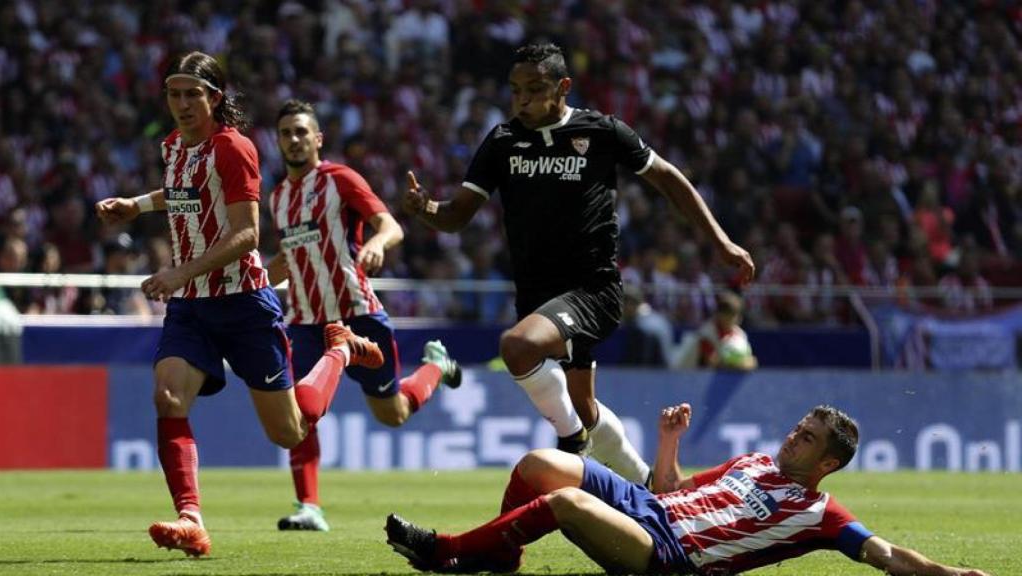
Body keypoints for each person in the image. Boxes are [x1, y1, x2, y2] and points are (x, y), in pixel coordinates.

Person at [403, 43, 755, 484]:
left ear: (563, 87)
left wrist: (721, 242)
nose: (523, 99)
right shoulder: (502, 142)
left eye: (534, 88)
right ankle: (654, 484)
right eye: (515, 90)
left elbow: (667, 178)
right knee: (584, 407)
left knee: (517, 348)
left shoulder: (602, 132)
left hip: (593, 290)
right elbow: (457, 215)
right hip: (538, 296)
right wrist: (425, 208)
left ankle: (571, 444)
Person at [95, 51, 384, 557]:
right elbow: (181, 191)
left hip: (245, 303)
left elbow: (248, 232)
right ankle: (192, 520)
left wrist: (179, 271)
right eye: (174, 93)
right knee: (167, 398)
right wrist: (135, 206)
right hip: (191, 306)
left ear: (215, 98)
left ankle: (338, 349)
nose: (182, 104)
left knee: (289, 431)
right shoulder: (173, 147)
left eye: (192, 94)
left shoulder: (234, 147)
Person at [385, 403, 990, 576]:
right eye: (797, 428)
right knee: (540, 462)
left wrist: (950, 574)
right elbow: (671, 487)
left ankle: (451, 552)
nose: (792, 438)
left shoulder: (820, 513)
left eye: (806, 439)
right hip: (647, 507)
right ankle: (502, 557)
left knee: (565, 503)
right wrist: (668, 441)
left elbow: (883, 555)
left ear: (827, 463)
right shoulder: (752, 462)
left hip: (668, 556)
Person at [266, 99, 462, 532]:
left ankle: (435, 366)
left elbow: (391, 225)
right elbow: (289, 257)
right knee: (299, 412)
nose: (294, 140)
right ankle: (309, 507)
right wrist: (256, 276)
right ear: (278, 141)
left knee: (390, 414)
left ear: (318, 139)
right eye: (286, 133)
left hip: (358, 316)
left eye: (302, 132)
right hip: (304, 321)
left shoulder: (341, 180)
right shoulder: (277, 198)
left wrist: (377, 243)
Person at [674, 290, 758, 371]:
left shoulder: (740, 335)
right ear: (718, 314)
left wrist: (747, 363)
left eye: (732, 314)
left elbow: (751, 362)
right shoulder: (706, 333)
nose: (728, 318)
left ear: (739, 318)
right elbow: (713, 362)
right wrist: (740, 365)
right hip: (686, 377)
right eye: (725, 312)